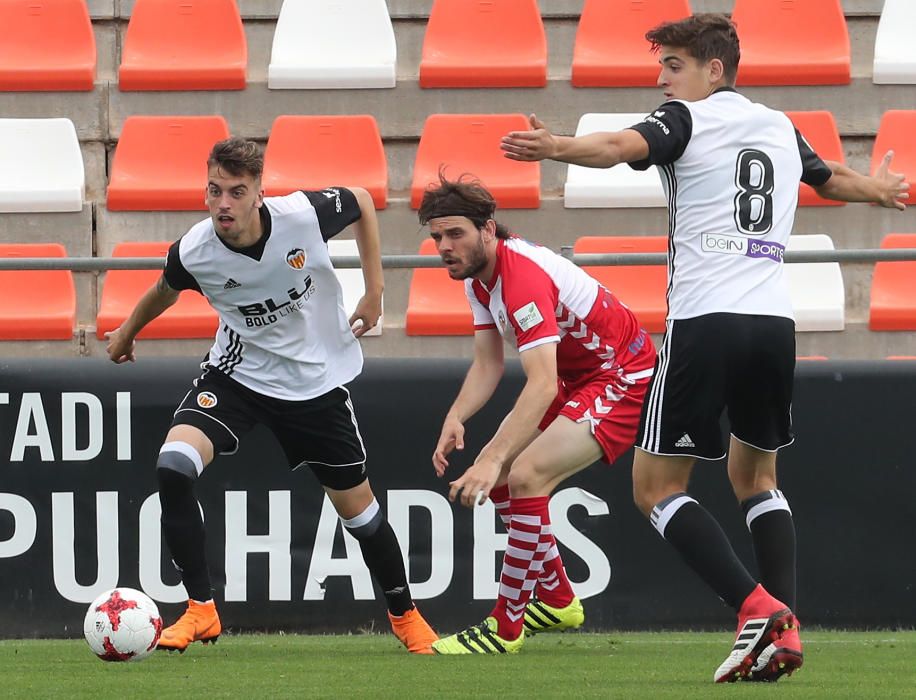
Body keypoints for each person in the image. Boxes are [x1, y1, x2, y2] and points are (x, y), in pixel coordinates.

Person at [500, 13, 909, 682]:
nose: (662, 80)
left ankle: (756, 610)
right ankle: (786, 627)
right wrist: (880, 189)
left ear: (712, 70)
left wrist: (558, 149)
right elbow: (827, 178)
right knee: (758, 480)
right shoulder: (777, 125)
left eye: (673, 66)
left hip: (706, 322)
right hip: (774, 325)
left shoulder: (688, 120)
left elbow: (617, 146)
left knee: (654, 486)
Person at [105, 137, 438, 655]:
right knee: (173, 465)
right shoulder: (196, 249)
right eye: (214, 191)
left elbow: (363, 202)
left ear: (259, 192)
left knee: (361, 516)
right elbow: (165, 289)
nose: (223, 204)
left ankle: (405, 615)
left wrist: (375, 291)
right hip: (238, 377)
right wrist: (127, 332)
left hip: (313, 384)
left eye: (237, 192)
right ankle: (200, 609)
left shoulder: (302, 217)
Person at [421, 174, 657, 654]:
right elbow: (489, 363)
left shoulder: (522, 277)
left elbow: (542, 382)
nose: (444, 246)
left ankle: (505, 628)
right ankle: (557, 598)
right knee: (507, 478)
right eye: (437, 236)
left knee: (521, 475)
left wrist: (490, 457)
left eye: (455, 234)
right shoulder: (479, 279)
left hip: (623, 374)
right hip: (579, 380)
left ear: (488, 230)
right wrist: (457, 415)